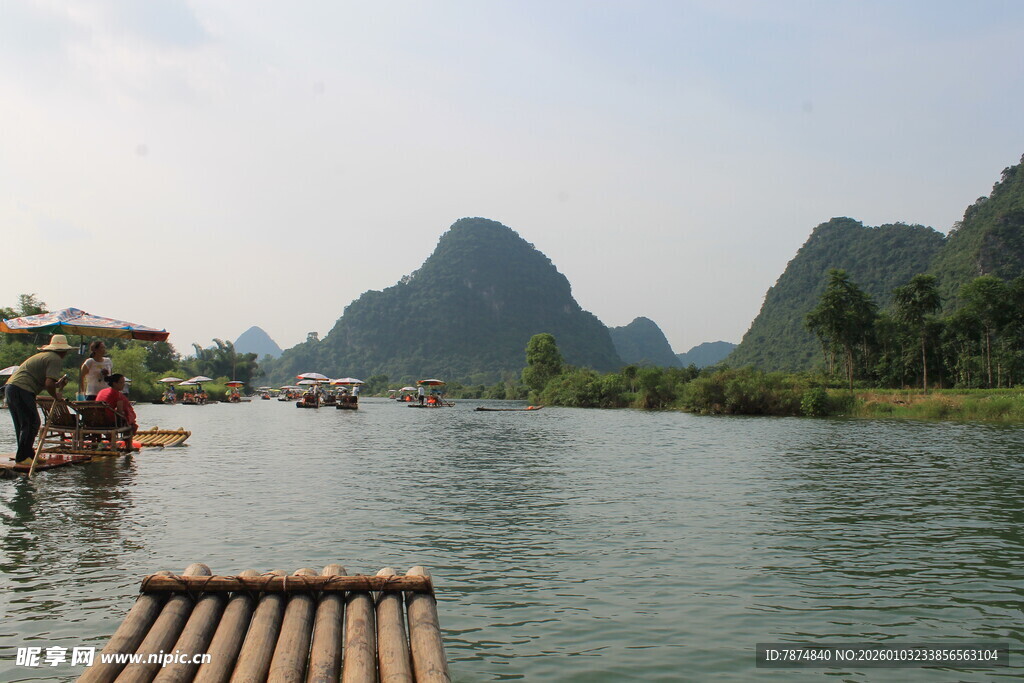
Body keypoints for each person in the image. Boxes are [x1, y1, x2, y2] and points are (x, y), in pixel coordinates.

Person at [6, 334, 72, 467]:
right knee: (32, 422)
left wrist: (58, 385)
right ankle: (22, 457)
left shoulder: (45, 356)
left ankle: (29, 454)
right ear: (63, 351)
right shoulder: (55, 358)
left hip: (12, 388)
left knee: (24, 424)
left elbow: (47, 382)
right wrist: (55, 396)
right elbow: (48, 385)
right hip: (21, 389)